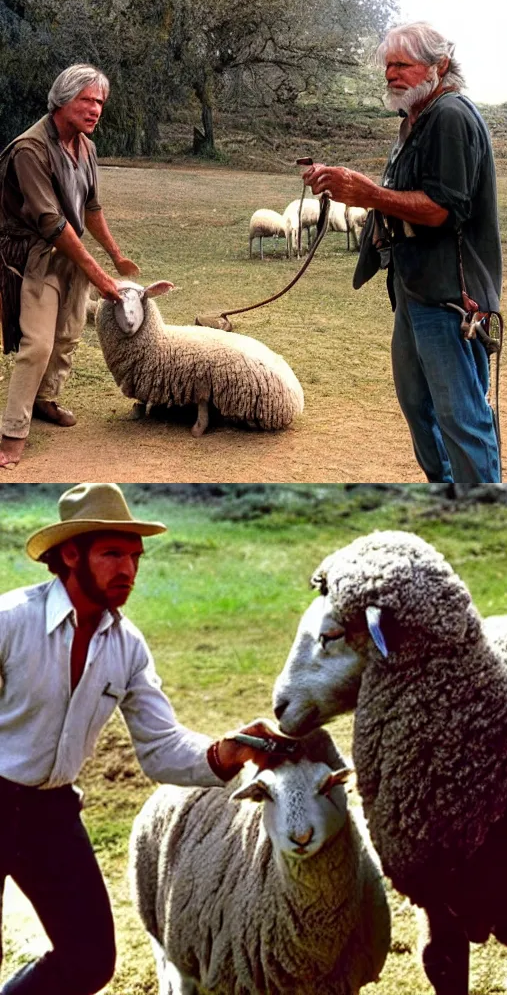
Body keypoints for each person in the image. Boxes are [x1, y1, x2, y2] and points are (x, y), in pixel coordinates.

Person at [0, 483, 282, 995]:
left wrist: (225, 751)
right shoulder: (10, 620)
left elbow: (159, 745)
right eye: (112, 554)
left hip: (51, 812)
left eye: (134, 557)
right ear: (70, 553)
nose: (128, 570)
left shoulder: (127, 646)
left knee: (90, 962)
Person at [303, 22, 501, 492]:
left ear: (439, 66)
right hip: (413, 291)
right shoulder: (414, 118)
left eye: (403, 65)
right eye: (387, 65)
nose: (391, 74)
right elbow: (404, 195)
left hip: (451, 297)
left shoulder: (451, 117)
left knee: (462, 417)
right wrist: (349, 187)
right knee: (418, 406)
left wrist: (369, 194)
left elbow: (442, 209)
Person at [0, 66, 139, 471]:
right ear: (63, 100)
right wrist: (100, 275)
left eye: (100, 102)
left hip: (71, 254)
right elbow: (51, 222)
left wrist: (116, 257)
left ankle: (44, 400)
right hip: (33, 255)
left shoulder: (86, 147)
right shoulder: (30, 149)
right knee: (38, 344)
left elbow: (90, 209)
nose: (96, 109)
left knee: (68, 336)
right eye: (87, 100)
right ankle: (11, 432)